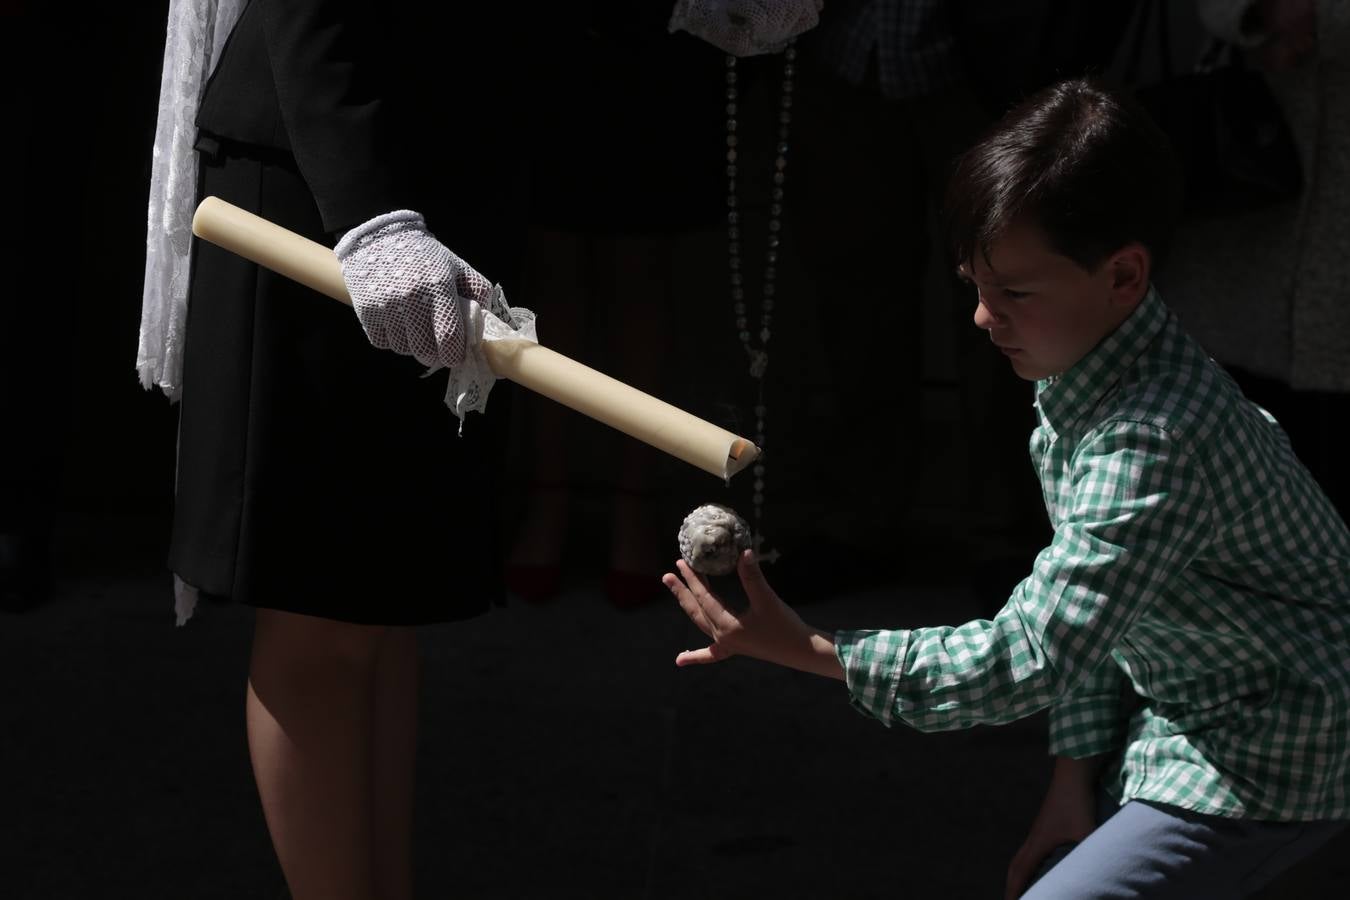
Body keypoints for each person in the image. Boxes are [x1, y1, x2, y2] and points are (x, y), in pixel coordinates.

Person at [662, 78, 1350, 898]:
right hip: (1192, 715)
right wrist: (1072, 779)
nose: (985, 319)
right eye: (975, 287)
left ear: (1123, 275)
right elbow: (1103, 616)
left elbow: (1034, 653)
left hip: (1282, 747)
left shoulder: (1150, 440)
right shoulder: (1091, 382)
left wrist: (814, 652)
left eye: (1015, 293)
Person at [139, 3, 549, 898]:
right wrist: (369, 217)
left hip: (444, 160)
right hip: (325, 174)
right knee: (321, 610)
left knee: (378, 608)